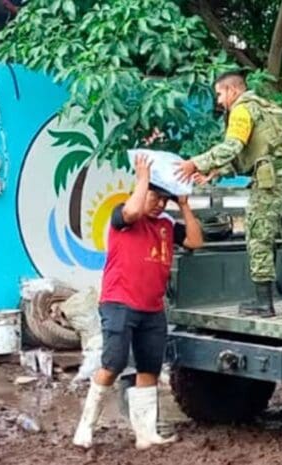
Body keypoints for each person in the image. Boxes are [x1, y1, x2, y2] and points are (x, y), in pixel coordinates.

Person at [73, 153, 203, 449]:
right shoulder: (123, 216)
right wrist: (143, 178)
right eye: (155, 197)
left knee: (149, 369)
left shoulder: (167, 226)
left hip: (152, 307)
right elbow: (132, 210)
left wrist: (184, 205)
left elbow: (195, 241)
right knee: (114, 362)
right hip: (119, 303)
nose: (159, 204)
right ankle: (86, 426)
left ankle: (145, 434)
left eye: (164, 200)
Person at [175, 70, 282, 318]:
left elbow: (233, 146)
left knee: (259, 238)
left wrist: (195, 163)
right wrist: (215, 171)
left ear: (233, 90)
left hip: (272, 185)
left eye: (219, 94)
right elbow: (264, 149)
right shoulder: (274, 109)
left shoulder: (242, 109)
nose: (219, 101)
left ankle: (264, 303)